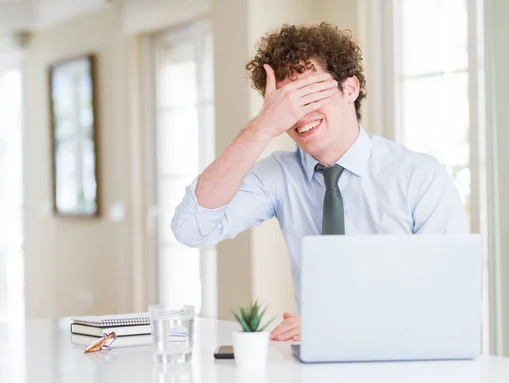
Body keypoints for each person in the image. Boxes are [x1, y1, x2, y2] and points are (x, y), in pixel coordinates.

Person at [171, 22, 466, 343]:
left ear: (349, 88)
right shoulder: (279, 176)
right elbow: (192, 229)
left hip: (408, 364)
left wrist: (337, 324)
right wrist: (262, 126)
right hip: (314, 371)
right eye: (285, 104)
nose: (299, 115)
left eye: (309, 94)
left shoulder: (418, 176)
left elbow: (448, 297)